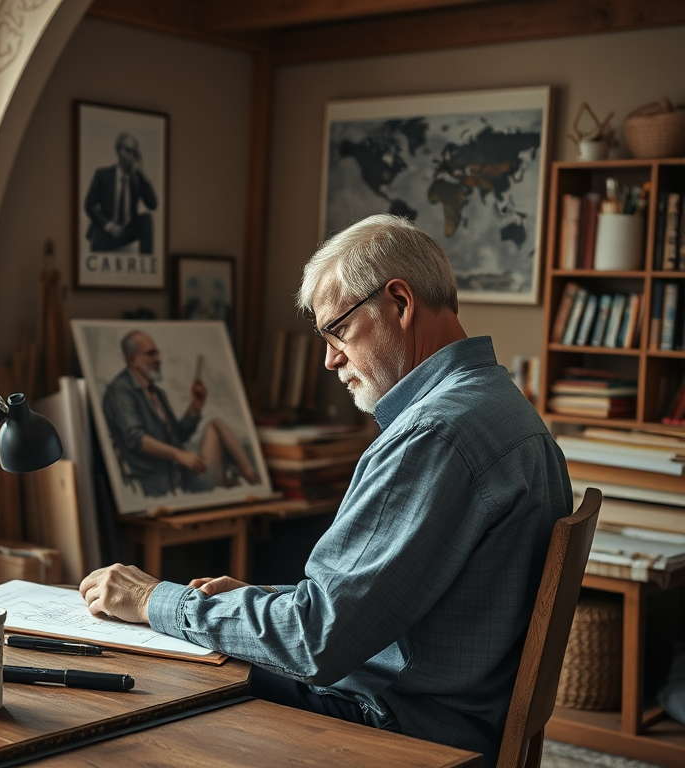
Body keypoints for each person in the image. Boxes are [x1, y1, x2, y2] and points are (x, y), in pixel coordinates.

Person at [80, 214, 572, 767]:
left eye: (337, 331)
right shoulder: (500, 406)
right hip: (451, 709)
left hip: (402, 726)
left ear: (400, 304)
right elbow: (374, 602)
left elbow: (314, 642)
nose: (330, 359)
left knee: (158, 673)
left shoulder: (432, 436)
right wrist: (264, 602)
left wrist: (156, 600)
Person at [102, 330, 260, 498]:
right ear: (132, 359)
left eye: (157, 353)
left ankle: (251, 476)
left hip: (181, 475)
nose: (158, 359)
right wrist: (179, 455)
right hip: (164, 485)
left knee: (215, 423)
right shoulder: (120, 391)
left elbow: (178, 436)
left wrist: (195, 407)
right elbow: (136, 439)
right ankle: (253, 481)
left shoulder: (157, 393)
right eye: (150, 354)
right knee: (216, 428)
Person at [84, 132, 157, 254]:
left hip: (126, 231)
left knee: (147, 219)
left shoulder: (137, 179)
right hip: (105, 232)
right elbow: (89, 205)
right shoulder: (103, 175)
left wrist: (142, 174)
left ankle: (146, 261)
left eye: (134, 152)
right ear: (118, 151)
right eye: (127, 151)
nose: (131, 156)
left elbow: (152, 205)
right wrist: (109, 226)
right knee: (98, 228)